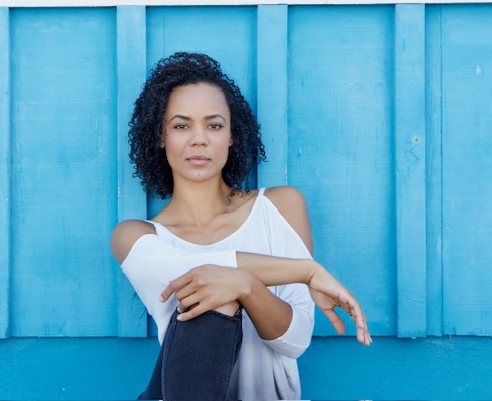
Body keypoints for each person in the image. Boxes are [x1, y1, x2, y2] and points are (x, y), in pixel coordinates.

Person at [111, 52, 371, 401]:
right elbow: (206, 275)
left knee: (222, 284)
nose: (199, 139)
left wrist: (248, 285)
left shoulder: (279, 207)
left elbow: (294, 342)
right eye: (181, 125)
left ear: (232, 135)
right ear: (160, 137)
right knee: (210, 291)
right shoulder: (136, 237)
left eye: (214, 125)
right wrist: (306, 272)